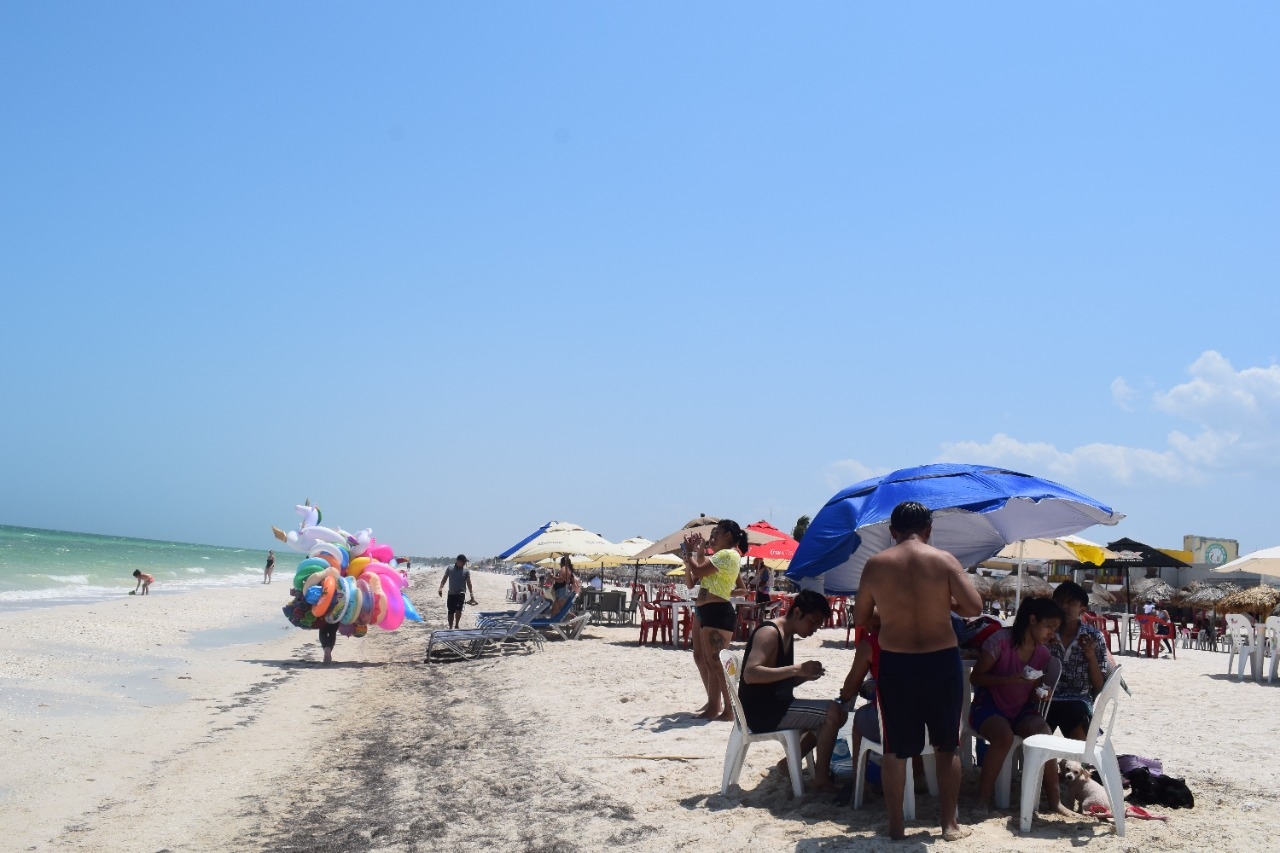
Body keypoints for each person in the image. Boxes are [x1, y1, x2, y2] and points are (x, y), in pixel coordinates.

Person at [854, 501, 982, 842]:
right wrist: (943, 604)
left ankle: (896, 828)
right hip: (941, 660)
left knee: (894, 749)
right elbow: (973, 607)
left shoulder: (876, 565)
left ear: (892, 531)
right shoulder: (943, 560)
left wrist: (892, 614)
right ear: (928, 530)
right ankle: (949, 826)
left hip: (897, 662)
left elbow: (862, 617)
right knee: (947, 746)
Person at [969, 596, 1070, 818]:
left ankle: (1055, 801)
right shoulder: (1000, 642)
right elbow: (975, 678)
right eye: (1049, 627)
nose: (1052, 633)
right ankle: (982, 799)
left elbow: (1031, 689)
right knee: (1003, 736)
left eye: (1055, 629)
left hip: (1020, 709)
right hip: (989, 705)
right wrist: (1007, 680)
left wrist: (1041, 694)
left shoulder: (1042, 653)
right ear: (1032, 620)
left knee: (1045, 733)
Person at [740, 589, 843, 793]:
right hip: (762, 713)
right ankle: (821, 779)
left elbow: (776, 681)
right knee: (833, 713)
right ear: (797, 613)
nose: (814, 629)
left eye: (818, 625)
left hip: (773, 705)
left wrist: (802, 676)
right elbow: (750, 674)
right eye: (812, 622)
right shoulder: (769, 633)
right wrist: (797, 669)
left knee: (838, 714)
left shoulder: (787, 634)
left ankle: (788, 764)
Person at [683, 519, 748, 721]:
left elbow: (699, 571)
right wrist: (696, 553)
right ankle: (713, 707)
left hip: (718, 611)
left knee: (717, 663)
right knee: (712, 662)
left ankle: (729, 710)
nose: (714, 536)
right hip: (711, 611)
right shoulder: (723, 555)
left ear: (728, 534)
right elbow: (698, 574)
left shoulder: (728, 554)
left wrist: (688, 553)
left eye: (717, 532)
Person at [1046, 581, 1108, 740]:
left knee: (1076, 717)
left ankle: (1074, 762)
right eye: (1058, 601)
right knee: (1036, 723)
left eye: (1070, 603)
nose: (1063, 606)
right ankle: (1045, 764)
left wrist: (1091, 656)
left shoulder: (1094, 636)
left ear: (1083, 609)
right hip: (1046, 696)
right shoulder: (1044, 633)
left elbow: (1098, 685)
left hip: (1078, 698)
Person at [438, 554, 475, 630]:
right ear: (458, 561)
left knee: (459, 609)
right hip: (451, 593)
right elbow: (444, 578)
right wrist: (440, 588)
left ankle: (457, 624)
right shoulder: (450, 568)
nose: (465, 563)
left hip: (461, 593)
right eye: (464, 562)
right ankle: (450, 626)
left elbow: (469, 582)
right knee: (451, 611)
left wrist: (471, 594)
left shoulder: (466, 571)